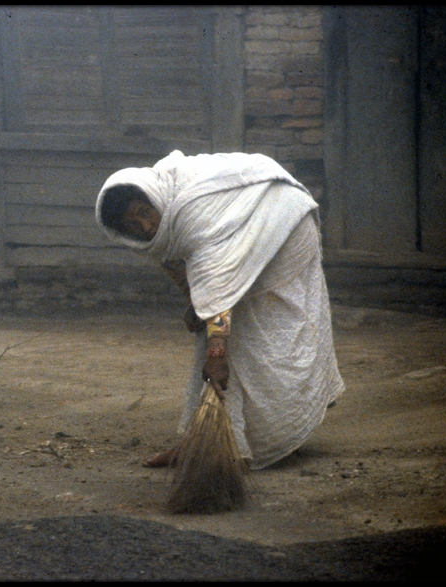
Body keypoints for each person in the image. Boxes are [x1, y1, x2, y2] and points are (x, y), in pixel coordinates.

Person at [95, 150, 345, 470]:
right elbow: (185, 273)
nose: (145, 226)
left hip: (282, 222)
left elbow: (217, 292)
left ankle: (269, 438)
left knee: (251, 331)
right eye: (133, 224)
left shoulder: (190, 214)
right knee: (216, 326)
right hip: (236, 231)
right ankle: (203, 441)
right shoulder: (165, 219)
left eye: (145, 212)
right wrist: (197, 310)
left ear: (154, 200)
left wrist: (217, 356)